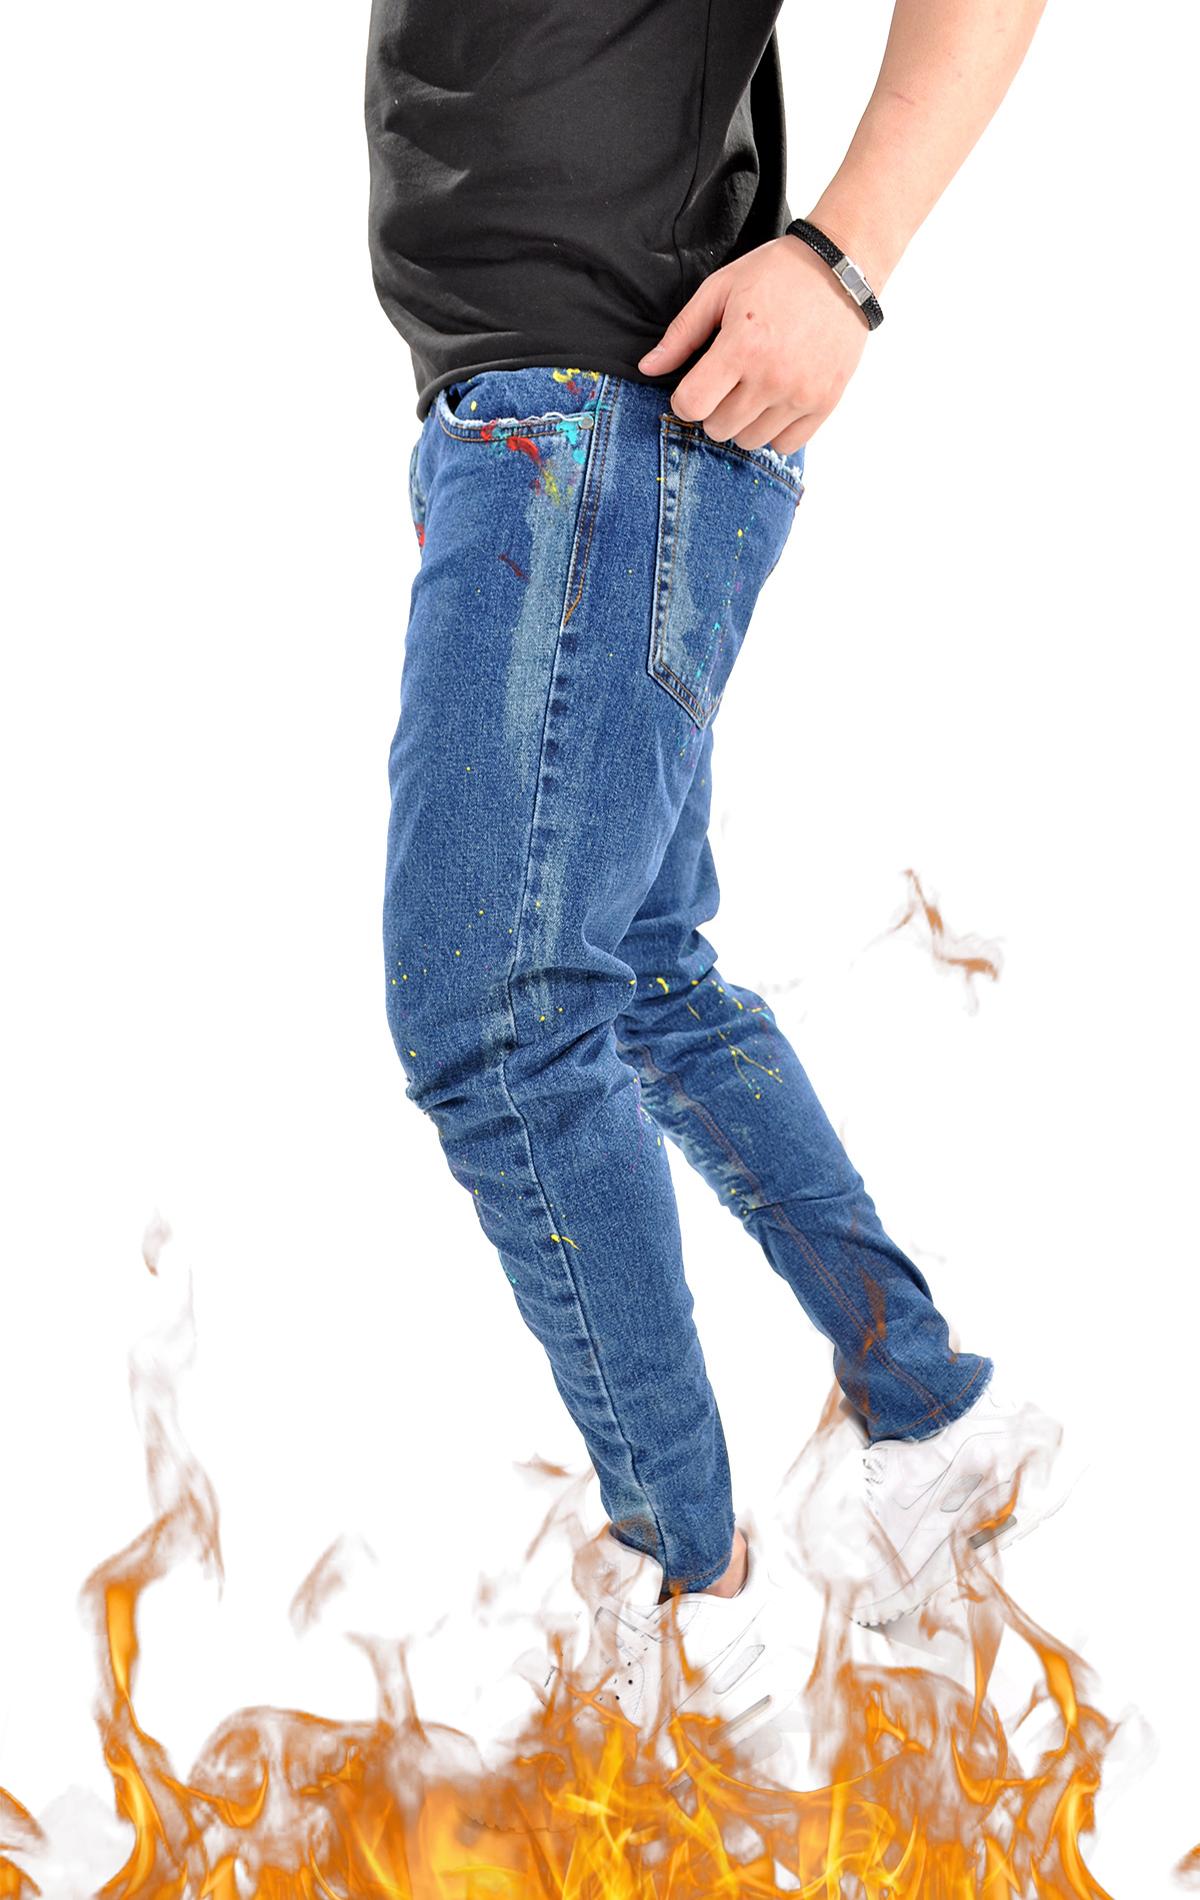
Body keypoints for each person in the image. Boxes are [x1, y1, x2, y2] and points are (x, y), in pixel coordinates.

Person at [362, 0, 1057, 1643]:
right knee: (643, 979)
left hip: (598, 405)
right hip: (528, 419)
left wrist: (844, 263)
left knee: (495, 1014)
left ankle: (690, 1588)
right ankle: (933, 1422)